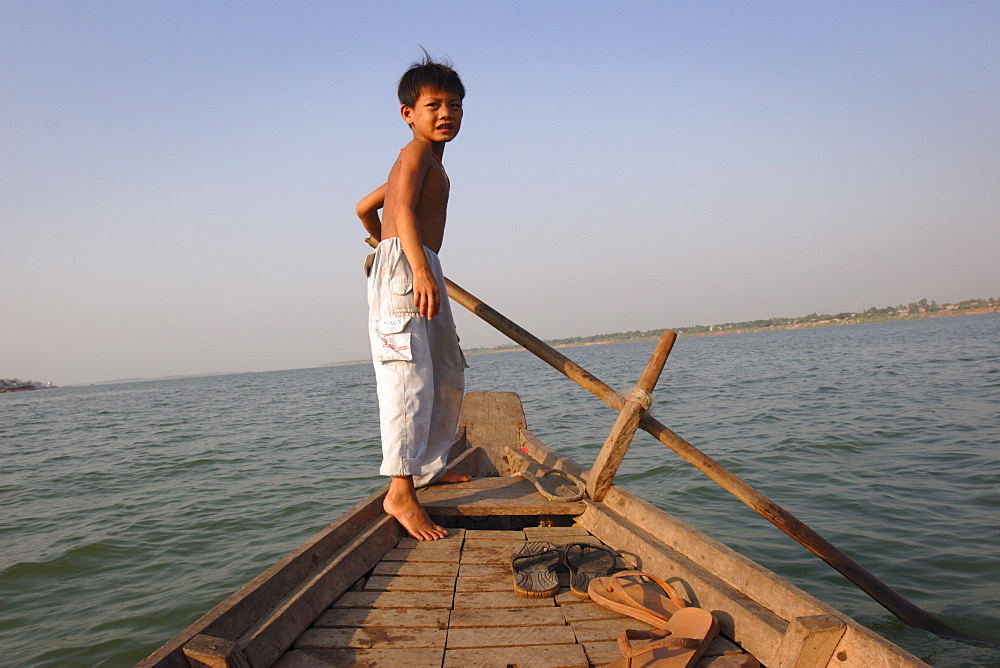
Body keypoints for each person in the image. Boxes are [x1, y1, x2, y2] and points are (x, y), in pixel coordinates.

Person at [355, 53, 470, 541]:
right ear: (409, 113)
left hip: (415, 261)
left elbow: (366, 206)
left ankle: (426, 467)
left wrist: (378, 240)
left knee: (445, 370)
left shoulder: (425, 163)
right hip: (410, 268)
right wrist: (409, 263)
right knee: (408, 378)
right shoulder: (415, 152)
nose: (446, 113)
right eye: (434, 105)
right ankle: (400, 491)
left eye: (455, 105)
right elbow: (399, 206)